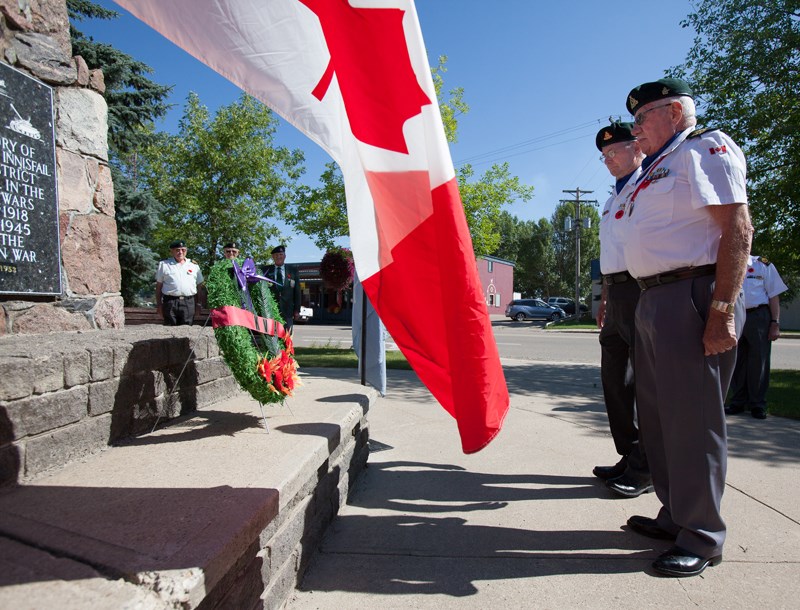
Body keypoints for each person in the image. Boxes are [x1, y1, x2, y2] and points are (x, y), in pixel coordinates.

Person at [620, 78, 752, 577]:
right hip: (654, 297)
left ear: (675, 112)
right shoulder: (656, 165)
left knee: (694, 423)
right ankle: (676, 515)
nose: (635, 131)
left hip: (691, 295)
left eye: (641, 118)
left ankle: (702, 535)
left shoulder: (705, 148)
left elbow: (736, 228)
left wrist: (722, 308)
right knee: (658, 419)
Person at [594, 122, 652, 498]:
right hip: (616, 293)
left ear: (637, 148)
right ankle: (628, 455)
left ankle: (646, 468)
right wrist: (602, 295)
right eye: (603, 156)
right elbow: (610, 253)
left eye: (614, 151)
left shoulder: (649, 184)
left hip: (641, 288)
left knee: (648, 384)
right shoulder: (612, 196)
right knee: (616, 380)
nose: (608, 160)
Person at [725, 254, 788, 419]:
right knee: (736, 360)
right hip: (735, 315)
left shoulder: (763, 264)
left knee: (759, 360)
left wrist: (775, 322)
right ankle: (737, 401)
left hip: (758, 316)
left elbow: (774, 295)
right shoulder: (727, 262)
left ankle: (757, 404)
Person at [155, 239, 205, 326]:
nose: (180, 252)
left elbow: (199, 287)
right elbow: (159, 287)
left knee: (187, 330)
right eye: (177, 250)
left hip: (188, 302)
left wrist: (199, 304)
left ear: (186, 251)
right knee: (169, 330)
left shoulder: (194, 266)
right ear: (172, 251)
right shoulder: (164, 265)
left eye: (183, 250)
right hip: (170, 302)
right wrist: (159, 305)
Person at [261, 245, 301, 332]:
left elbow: (297, 292)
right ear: (272, 257)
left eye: (280, 254)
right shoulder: (265, 270)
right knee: (271, 335)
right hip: (270, 309)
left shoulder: (293, 270)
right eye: (276, 255)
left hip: (288, 310)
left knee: (287, 336)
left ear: (285, 256)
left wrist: (297, 310)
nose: (278, 257)